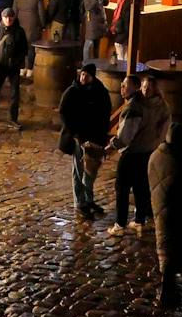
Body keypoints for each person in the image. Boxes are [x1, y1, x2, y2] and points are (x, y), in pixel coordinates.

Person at [148, 119, 182, 308]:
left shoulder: (156, 155)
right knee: (172, 246)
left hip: (159, 205)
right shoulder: (179, 161)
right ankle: (167, 290)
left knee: (164, 241)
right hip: (176, 208)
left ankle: (166, 285)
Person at [108, 74, 169, 235]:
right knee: (141, 188)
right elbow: (163, 131)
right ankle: (139, 220)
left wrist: (111, 146)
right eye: (144, 87)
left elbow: (125, 136)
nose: (145, 90)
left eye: (147, 87)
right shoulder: (162, 106)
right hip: (148, 152)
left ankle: (120, 224)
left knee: (122, 188)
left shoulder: (137, 107)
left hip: (132, 153)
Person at [60, 61, 113, 219]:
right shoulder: (72, 92)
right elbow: (63, 112)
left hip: (94, 137)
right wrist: (74, 133)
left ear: (92, 77)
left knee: (90, 172)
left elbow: (105, 112)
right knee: (78, 170)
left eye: (87, 75)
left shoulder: (100, 91)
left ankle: (89, 200)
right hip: (79, 138)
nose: (83, 78)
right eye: (82, 74)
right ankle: (80, 203)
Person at [0, 6, 28, 128]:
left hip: (13, 67)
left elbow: (24, 48)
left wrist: (17, 61)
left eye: (10, 17)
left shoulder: (19, 31)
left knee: (15, 92)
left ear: (14, 18)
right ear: (2, 18)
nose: (8, 20)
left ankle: (13, 117)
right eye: (6, 17)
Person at [12, 0, 45, 70]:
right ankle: (30, 69)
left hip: (21, 23)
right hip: (33, 24)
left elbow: (14, 11)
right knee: (31, 47)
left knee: (21, 46)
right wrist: (43, 25)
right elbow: (41, 13)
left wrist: (13, 25)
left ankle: (22, 69)